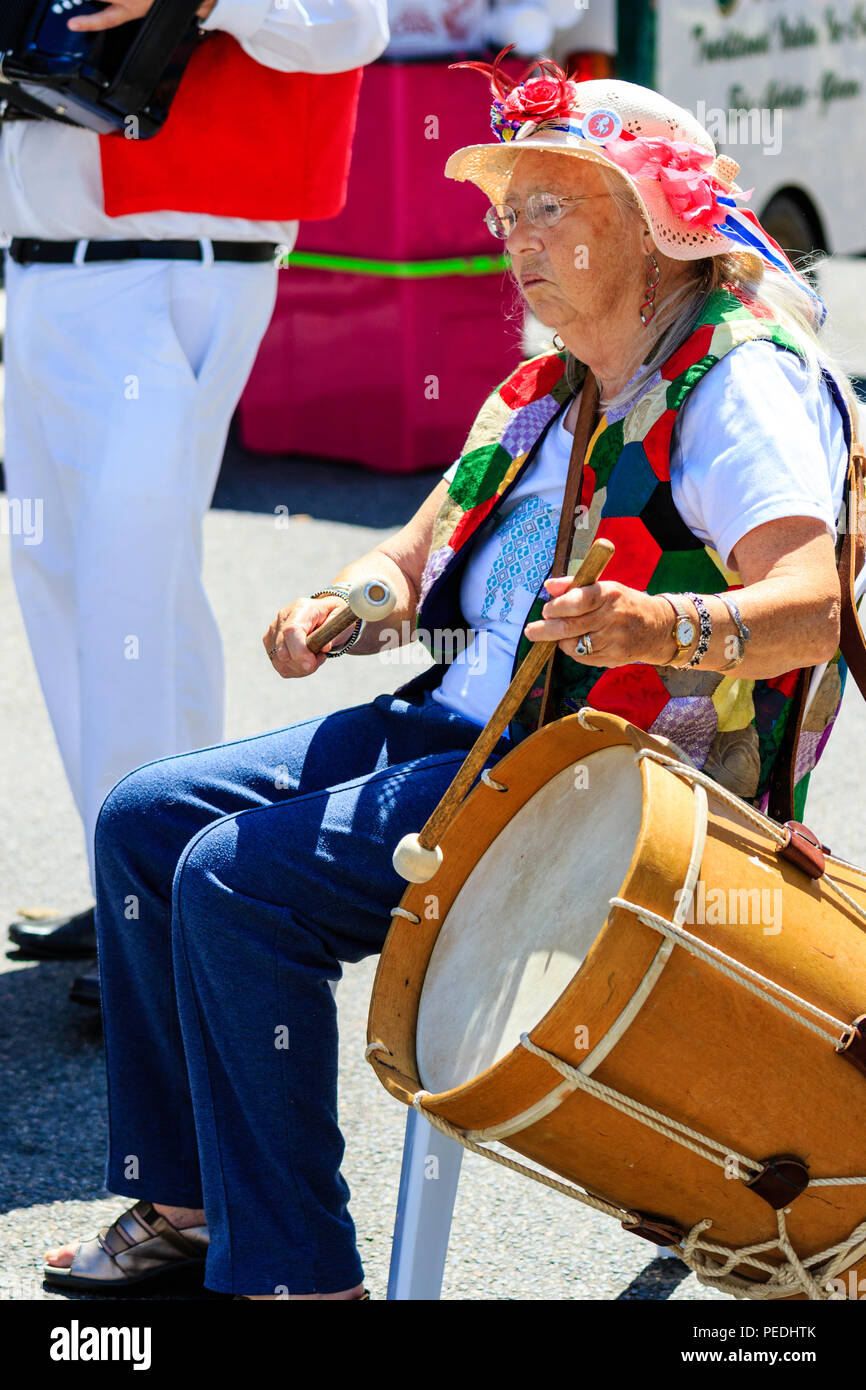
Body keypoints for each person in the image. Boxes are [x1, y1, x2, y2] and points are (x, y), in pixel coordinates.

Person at [42, 61, 858, 1299]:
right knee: (147, 820)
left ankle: (296, 1275)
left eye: (547, 207)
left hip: (608, 780)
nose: (510, 241)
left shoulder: (732, 382)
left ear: (650, 222)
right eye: (503, 214)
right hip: (468, 734)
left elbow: (808, 608)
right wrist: (351, 604)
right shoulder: (542, 386)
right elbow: (417, 554)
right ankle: (190, 1207)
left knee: (234, 885)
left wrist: (656, 626)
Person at [5, 0, 389, 965]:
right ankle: (135, 876)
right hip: (50, 268)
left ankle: (153, 918)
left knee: (125, 595)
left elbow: (354, 22)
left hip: (159, 263)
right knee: (73, 583)